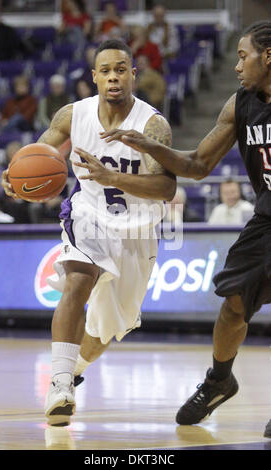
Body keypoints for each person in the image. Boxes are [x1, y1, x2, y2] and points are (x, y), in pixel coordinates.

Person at [99, 21, 271, 438]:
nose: (236, 65)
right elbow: (197, 164)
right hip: (268, 218)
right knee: (232, 304)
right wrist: (149, 147)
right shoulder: (241, 104)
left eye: (243, 56)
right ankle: (219, 381)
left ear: (269, 57)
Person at [1, 38, 176, 427]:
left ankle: (75, 367)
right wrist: (17, 179)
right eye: (106, 71)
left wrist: (112, 176)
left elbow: (166, 189)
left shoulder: (152, 125)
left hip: (137, 230)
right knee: (78, 278)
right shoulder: (72, 115)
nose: (113, 77)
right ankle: (59, 383)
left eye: (121, 70)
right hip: (89, 214)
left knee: (105, 331)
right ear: (95, 77)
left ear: (133, 75)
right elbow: (38, 154)